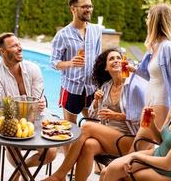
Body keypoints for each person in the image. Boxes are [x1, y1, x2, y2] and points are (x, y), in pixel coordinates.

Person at [43, 48, 146, 181]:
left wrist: (119, 116)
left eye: (118, 58)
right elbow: (92, 115)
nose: (116, 60)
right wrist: (96, 102)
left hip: (130, 140)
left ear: (124, 62)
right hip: (109, 138)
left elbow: (143, 118)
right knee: (89, 145)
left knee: (87, 127)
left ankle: (60, 174)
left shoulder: (133, 86)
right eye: (111, 59)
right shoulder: (106, 87)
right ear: (105, 68)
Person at [100, 74, 171, 181]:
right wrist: (151, 124)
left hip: (167, 172)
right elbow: (161, 141)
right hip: (156, 157)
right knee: (107, 171)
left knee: (117, 174)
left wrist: (136, 156)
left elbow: (167, 164)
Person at [0, 32, 57, 181]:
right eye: (14, 46)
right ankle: (27, 177)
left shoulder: (33, 68)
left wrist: (42, 101)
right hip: (10, 120)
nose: (20, 48)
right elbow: (2, 105)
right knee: (12, 147)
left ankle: (18, 174)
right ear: (2, 51)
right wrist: (31, 105)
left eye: (19, 44)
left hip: (37, 118)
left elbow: (38, 98)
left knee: (51, 153)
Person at [126, 4, 171, 147]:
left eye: (148, 17)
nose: (146, 21)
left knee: (137, 148)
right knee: (145, 148)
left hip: (160, 103)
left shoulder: (169, 47)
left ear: (155, 21)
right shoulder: (155, 47)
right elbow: (153, 77)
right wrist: (135, 70)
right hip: (150, 102)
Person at [50, 0, 102, 125]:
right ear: (73, 9)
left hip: (91, 88)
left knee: (95, 125)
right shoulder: (62, 35)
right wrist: (70, 63)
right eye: (84, 7)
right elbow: (53, 62)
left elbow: (98, 58)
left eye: (90, 6)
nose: (89, 10)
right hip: (72, 88)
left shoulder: (96, 30)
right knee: (69, 128)